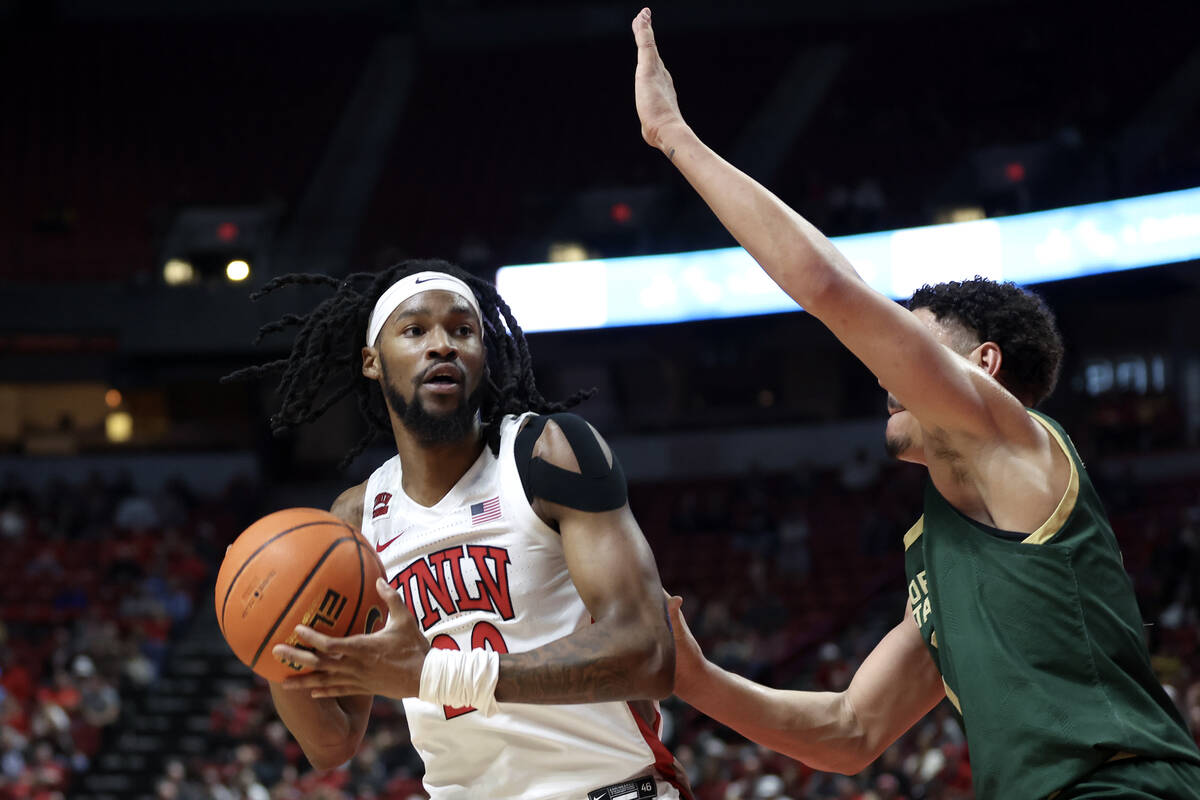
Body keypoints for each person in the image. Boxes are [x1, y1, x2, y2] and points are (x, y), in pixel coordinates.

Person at [629, 8, 1200, 800]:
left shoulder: (1015, 439)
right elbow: (850, 733)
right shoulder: (936, 544)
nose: (881, 370)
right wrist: (694, 678)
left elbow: (831, 288)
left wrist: (674, 137)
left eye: (912, 347)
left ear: (983, 366)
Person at [224, 260, 691, 800]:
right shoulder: (356, 518)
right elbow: (331, 744)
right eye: (416, 330)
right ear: (372, 362)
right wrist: (273, 642)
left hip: (604, 788)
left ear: (482, 355)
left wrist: (433, 674)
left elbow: (648, 656)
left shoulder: (547, 453)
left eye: (462, 330)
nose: (442, 345)